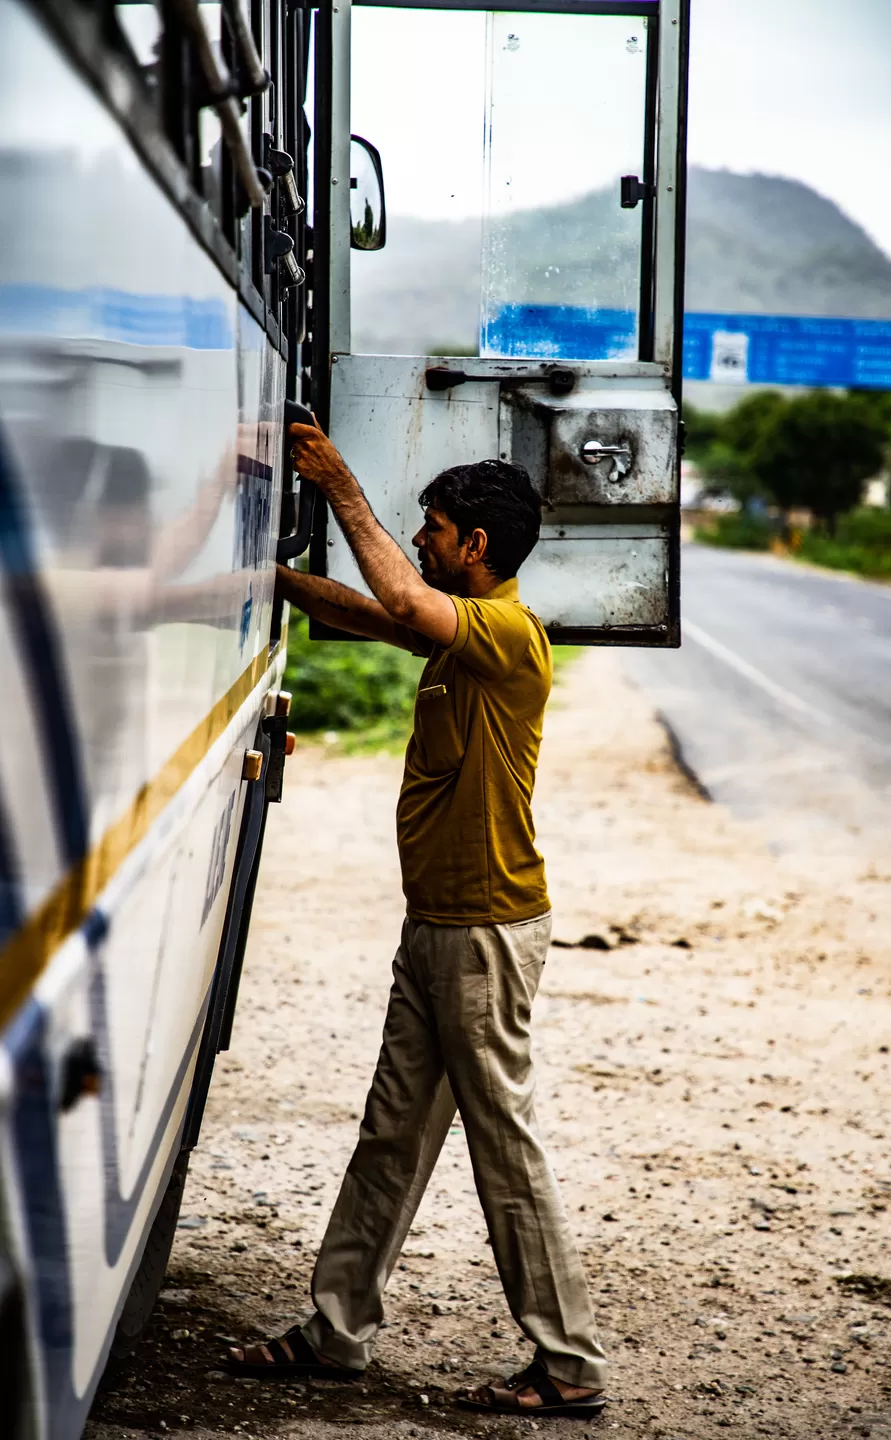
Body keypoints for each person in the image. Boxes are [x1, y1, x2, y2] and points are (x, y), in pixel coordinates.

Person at [227, 419, 607, 1418]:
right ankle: (335, 1330)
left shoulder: (509, 636)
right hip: (437, 924)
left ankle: (567, 1363)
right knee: (391, 1134)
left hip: (483, 933)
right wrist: (272, 581)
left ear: (475, 545)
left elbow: (398, 594)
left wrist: (338, 482)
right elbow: (374, 612)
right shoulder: (459, 632)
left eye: (435, 527)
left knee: (503, 1147)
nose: (424, 538)